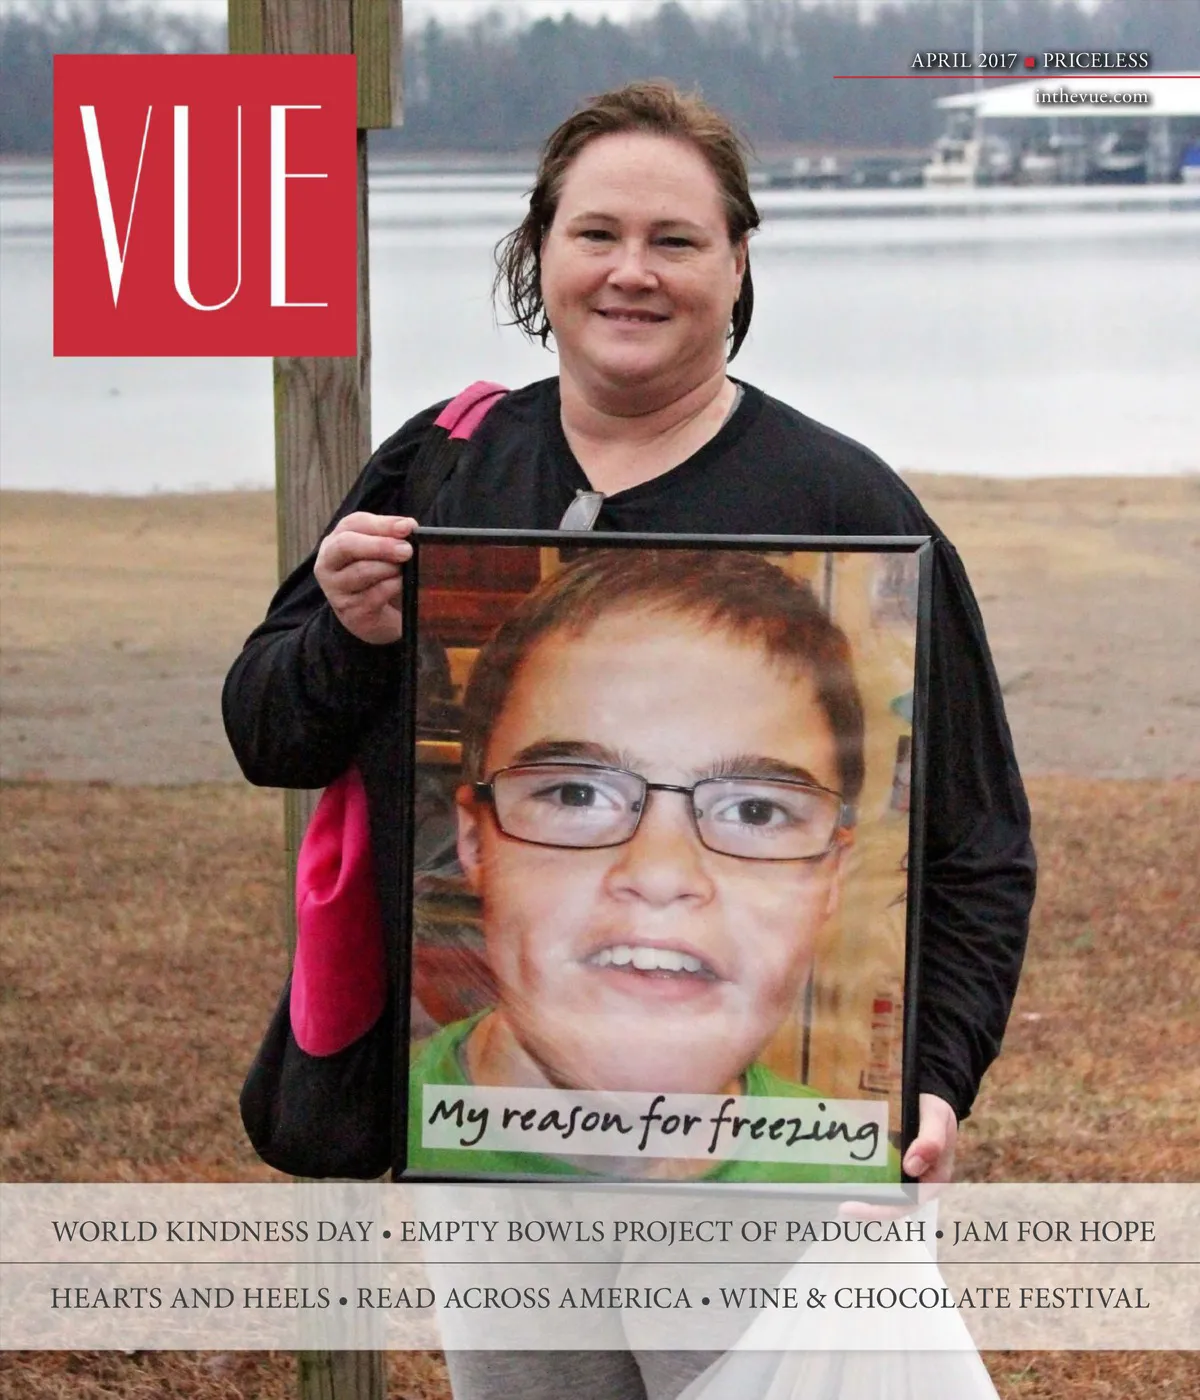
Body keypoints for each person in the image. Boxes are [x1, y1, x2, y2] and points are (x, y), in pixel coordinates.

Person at [224, 79, 1035, 1400]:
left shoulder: (845, 505)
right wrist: (346, 635)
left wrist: (933, 1081)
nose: (632, 272)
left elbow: (977, 843)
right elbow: (265, 730)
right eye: (596, 233)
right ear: (540, 251)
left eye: (675, 240)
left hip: (768, 1198)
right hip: (495, 1162)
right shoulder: (442, 465)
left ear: (737, 263)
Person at [408, 546, 896, 1185]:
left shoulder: (860, 1186)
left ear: (831, 875)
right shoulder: (364, 1150)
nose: (661, 874)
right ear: (476, 843)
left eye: (754, 811)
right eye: (576, 795)